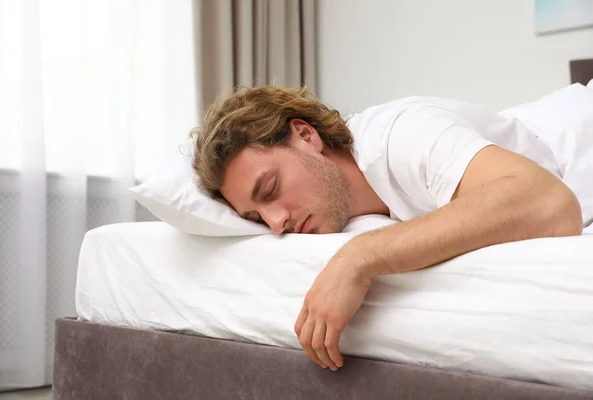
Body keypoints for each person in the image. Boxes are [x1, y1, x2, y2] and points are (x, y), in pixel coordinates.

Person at [192, 84, 591, 372]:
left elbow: (549, 204)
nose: (276, 223)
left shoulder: (402, 135)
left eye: (271, 189)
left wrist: (359, 257)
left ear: (305, 135)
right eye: (257, 217)